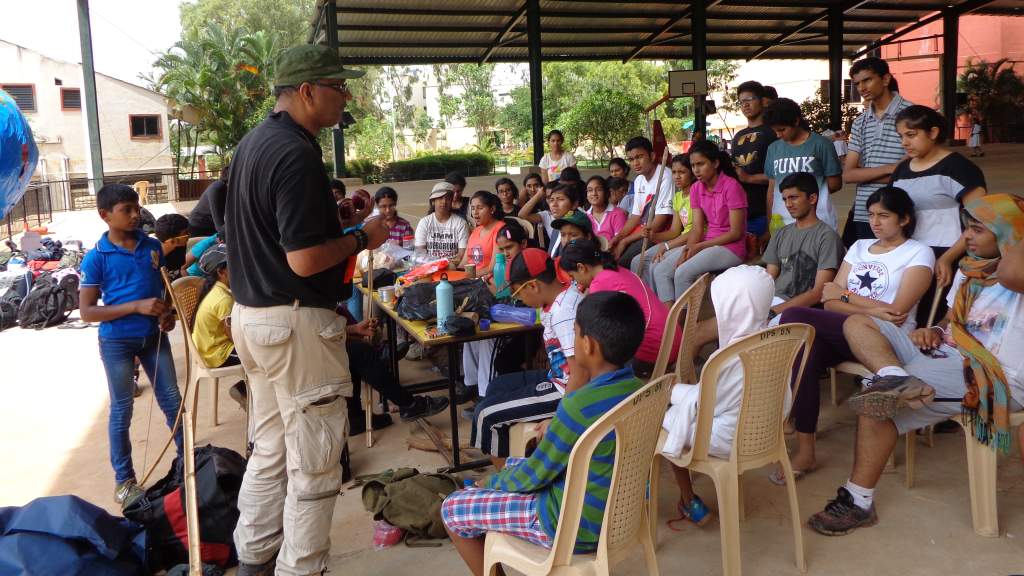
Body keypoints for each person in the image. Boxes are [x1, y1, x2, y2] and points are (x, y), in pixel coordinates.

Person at [223, 44, 387, 576]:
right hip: (294, 324)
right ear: (308, 91)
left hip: (253, 318)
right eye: (339, 87)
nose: (347, 97)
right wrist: (363, 236)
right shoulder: (296, 153)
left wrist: (337, 216)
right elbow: (304, 259)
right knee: (315, 463)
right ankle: (302, 568)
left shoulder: (254, 144)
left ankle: (253, 559)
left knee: (271, 448)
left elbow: (274, 230)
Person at [807, 194, 1024, 535]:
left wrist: (1016, 233)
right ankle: (894, 375)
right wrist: (934, 330)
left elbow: (1011, 271)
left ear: (1009, 236)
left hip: (991, 373)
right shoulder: (971, 270)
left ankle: (858, 501)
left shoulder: (1016, 276)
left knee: (877, 402)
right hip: (946, 353)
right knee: (858, 324)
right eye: (966, 227)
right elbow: (952, 320)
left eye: (978, 230)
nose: (966, 237)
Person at [445, 292, 646, 574]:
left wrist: (490, 483)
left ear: (588, 344)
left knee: (453, 509)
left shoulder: (577, 406)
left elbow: (536, 475)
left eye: (575, 333)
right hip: (621, 515)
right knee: (513, 464)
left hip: (568, 525)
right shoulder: (639, 389)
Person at [777, 187, 933, 483]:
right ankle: (806, 450)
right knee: (806, 351)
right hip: (848, 330)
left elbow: (897, 311)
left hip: (887, 340)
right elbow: (828, 300)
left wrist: (845, 297)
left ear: (904, 219)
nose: (875, 222)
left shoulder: (918, 252)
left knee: (794, 316)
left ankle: (894, 376)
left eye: (884, 216)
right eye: (871, 215)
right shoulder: (860, 246)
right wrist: (870, 309)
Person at [79, 184, 182, 509]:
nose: (136, 215)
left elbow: (162, 289)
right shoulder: (97, 257)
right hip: (117, 342)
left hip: (153, 337)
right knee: (122, 409)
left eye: (137, 208)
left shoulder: (152, 247)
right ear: (105, 215)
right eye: (127, 210)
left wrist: (167, 313)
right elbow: (87, 311)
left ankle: (188, 463)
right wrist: (136, 306)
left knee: (173, 401)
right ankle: (124, 481)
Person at [661, 265, 780, 526]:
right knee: (682, 408)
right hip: (767, 430)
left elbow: (706, 405)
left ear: (731, 308)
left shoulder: (726, 359)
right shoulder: (779, 341)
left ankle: (687, 498)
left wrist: (672, 392)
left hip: (731, 438)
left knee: (664, 418)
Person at [470, 249, 583, 464]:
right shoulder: (562, 295)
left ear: (533, 286)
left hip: (566, 389)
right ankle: (516, 455)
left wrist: (561, 417)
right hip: (557, 377)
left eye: (517, 293)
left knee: (487, 415)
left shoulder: (564, 313)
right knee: (497, 387)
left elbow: (580, 373)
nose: (518, 299)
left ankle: (508, 480)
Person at [891, 105, 987, 326]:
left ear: (933, 132)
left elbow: (979, 220)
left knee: (935, 322)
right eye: (901, 136)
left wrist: (948, 258)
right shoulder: (901, 170)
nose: (904, 142)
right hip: (911, 256)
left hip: (948, 255)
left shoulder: (960, 168)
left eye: (911, 135)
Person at [559, 239, 679, 375]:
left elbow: (598, 334)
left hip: (654, 352)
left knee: (598, 355)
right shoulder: (617, 270)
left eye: (573, 277)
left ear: (581, 268)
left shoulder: (599, 285)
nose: (576, 283)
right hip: (673, 340)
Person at [842, 57, 914, 246]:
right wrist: (892, 169)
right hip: (864, 212)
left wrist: (865, 175)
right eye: (857, 83)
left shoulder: (912, 114)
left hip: (898, 212)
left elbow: (911, 173)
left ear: (885, 79)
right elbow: (848, 175)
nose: (861, 88)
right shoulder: (860, 122)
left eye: (867, 80)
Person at [672, 139, 748, 299]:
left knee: (682, 273)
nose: (696, 170)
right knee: (665, 268)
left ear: (715, 163)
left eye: (701, 164)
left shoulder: (731, 186)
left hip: (731, 247)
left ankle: (685, 315)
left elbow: (736, 233)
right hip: (707, 242)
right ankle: (669, 312)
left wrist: (700, 246)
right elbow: (697, 229)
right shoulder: (696, 188)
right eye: (693, 165)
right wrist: (688, 250)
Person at [764, 98, 843, 232]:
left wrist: (808, 196)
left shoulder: (821, 144)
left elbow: (835, 184)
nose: (778, 135)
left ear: (796, 121)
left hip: (818, 219)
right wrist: (770, 219)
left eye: (782, 129)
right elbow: (772, 189)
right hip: (782, 222)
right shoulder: (773, 149)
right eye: (774, 131)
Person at [631, 153, 696, 304]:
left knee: (657, 268)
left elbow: (696, 231)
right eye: (674, 172)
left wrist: (666, 246)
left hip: (693, 240)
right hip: (680, 239)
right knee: (637, 261)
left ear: (692, 174)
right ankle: (649, 303)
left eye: (682, 172)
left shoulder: (696, 194)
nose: (677, 177)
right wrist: (653, 236)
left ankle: (666, 309)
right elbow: (674, 231)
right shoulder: (678, 197)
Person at [191, 243, 248, 409]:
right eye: (235, 266)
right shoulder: (223, 299)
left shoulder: (217, 290)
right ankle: (243, 390)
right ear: (221, 272)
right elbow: (234, 336)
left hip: (211, 349)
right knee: (261, 352)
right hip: (217, 354)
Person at [610, 136, 674, 268]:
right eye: (631, 159)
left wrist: (625, 241)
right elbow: (635, 217)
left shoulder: (665, 175)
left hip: (656, 234)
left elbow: (659, 223)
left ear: (652, 156)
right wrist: (618, 238)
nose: (635, 163)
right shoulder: (639, 180)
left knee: (623, 262)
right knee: (610, 255)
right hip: (641, 230)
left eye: (639, 157)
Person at [731, 80, 778, 244]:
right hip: (741, 210)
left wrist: (749, 178)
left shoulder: (774, 132)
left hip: (766, 209)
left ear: (763, 101)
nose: (745, 105)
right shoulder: (737, 136)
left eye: (749, 99)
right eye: (741, 101)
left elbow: (781, 173)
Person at [415, 181, 470, 264]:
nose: (444, 201)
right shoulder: (424, 223)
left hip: (452, 267)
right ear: (433, 201)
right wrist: (435, 265)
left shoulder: (461, 223)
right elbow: (420, 252)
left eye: (448, 198)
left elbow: (461, 255)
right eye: (440, 198)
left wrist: (447, 264)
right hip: (429, 266)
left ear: (451, 201)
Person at [519, 181, 578, 251]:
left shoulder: (579, 221)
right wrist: (538, 195)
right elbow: (522, 215)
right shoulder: (546, 215)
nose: (554, 204)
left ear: (574, 204)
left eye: (560, 199)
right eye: (550, 199)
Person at [461, 190, 506, 278]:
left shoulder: (501, 230)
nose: (475, 212)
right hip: (469, 278)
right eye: (473, 208)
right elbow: (464, 263)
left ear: (492, 209)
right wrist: (452, 270)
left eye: (480, 208)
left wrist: (466, 276)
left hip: (487, 280)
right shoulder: (476, 231)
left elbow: (492, 268)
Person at [585, 176, 627, 242]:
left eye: (599, 190)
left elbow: (620, 241)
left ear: (606, 193)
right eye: (590, 190)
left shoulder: (618, 214)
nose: (594, 193)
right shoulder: (585, 216)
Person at [189, 166, 227, 238]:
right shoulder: (217, 189)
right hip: (198, 226)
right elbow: (219, 225)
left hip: (209, 225)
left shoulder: (224, 188)